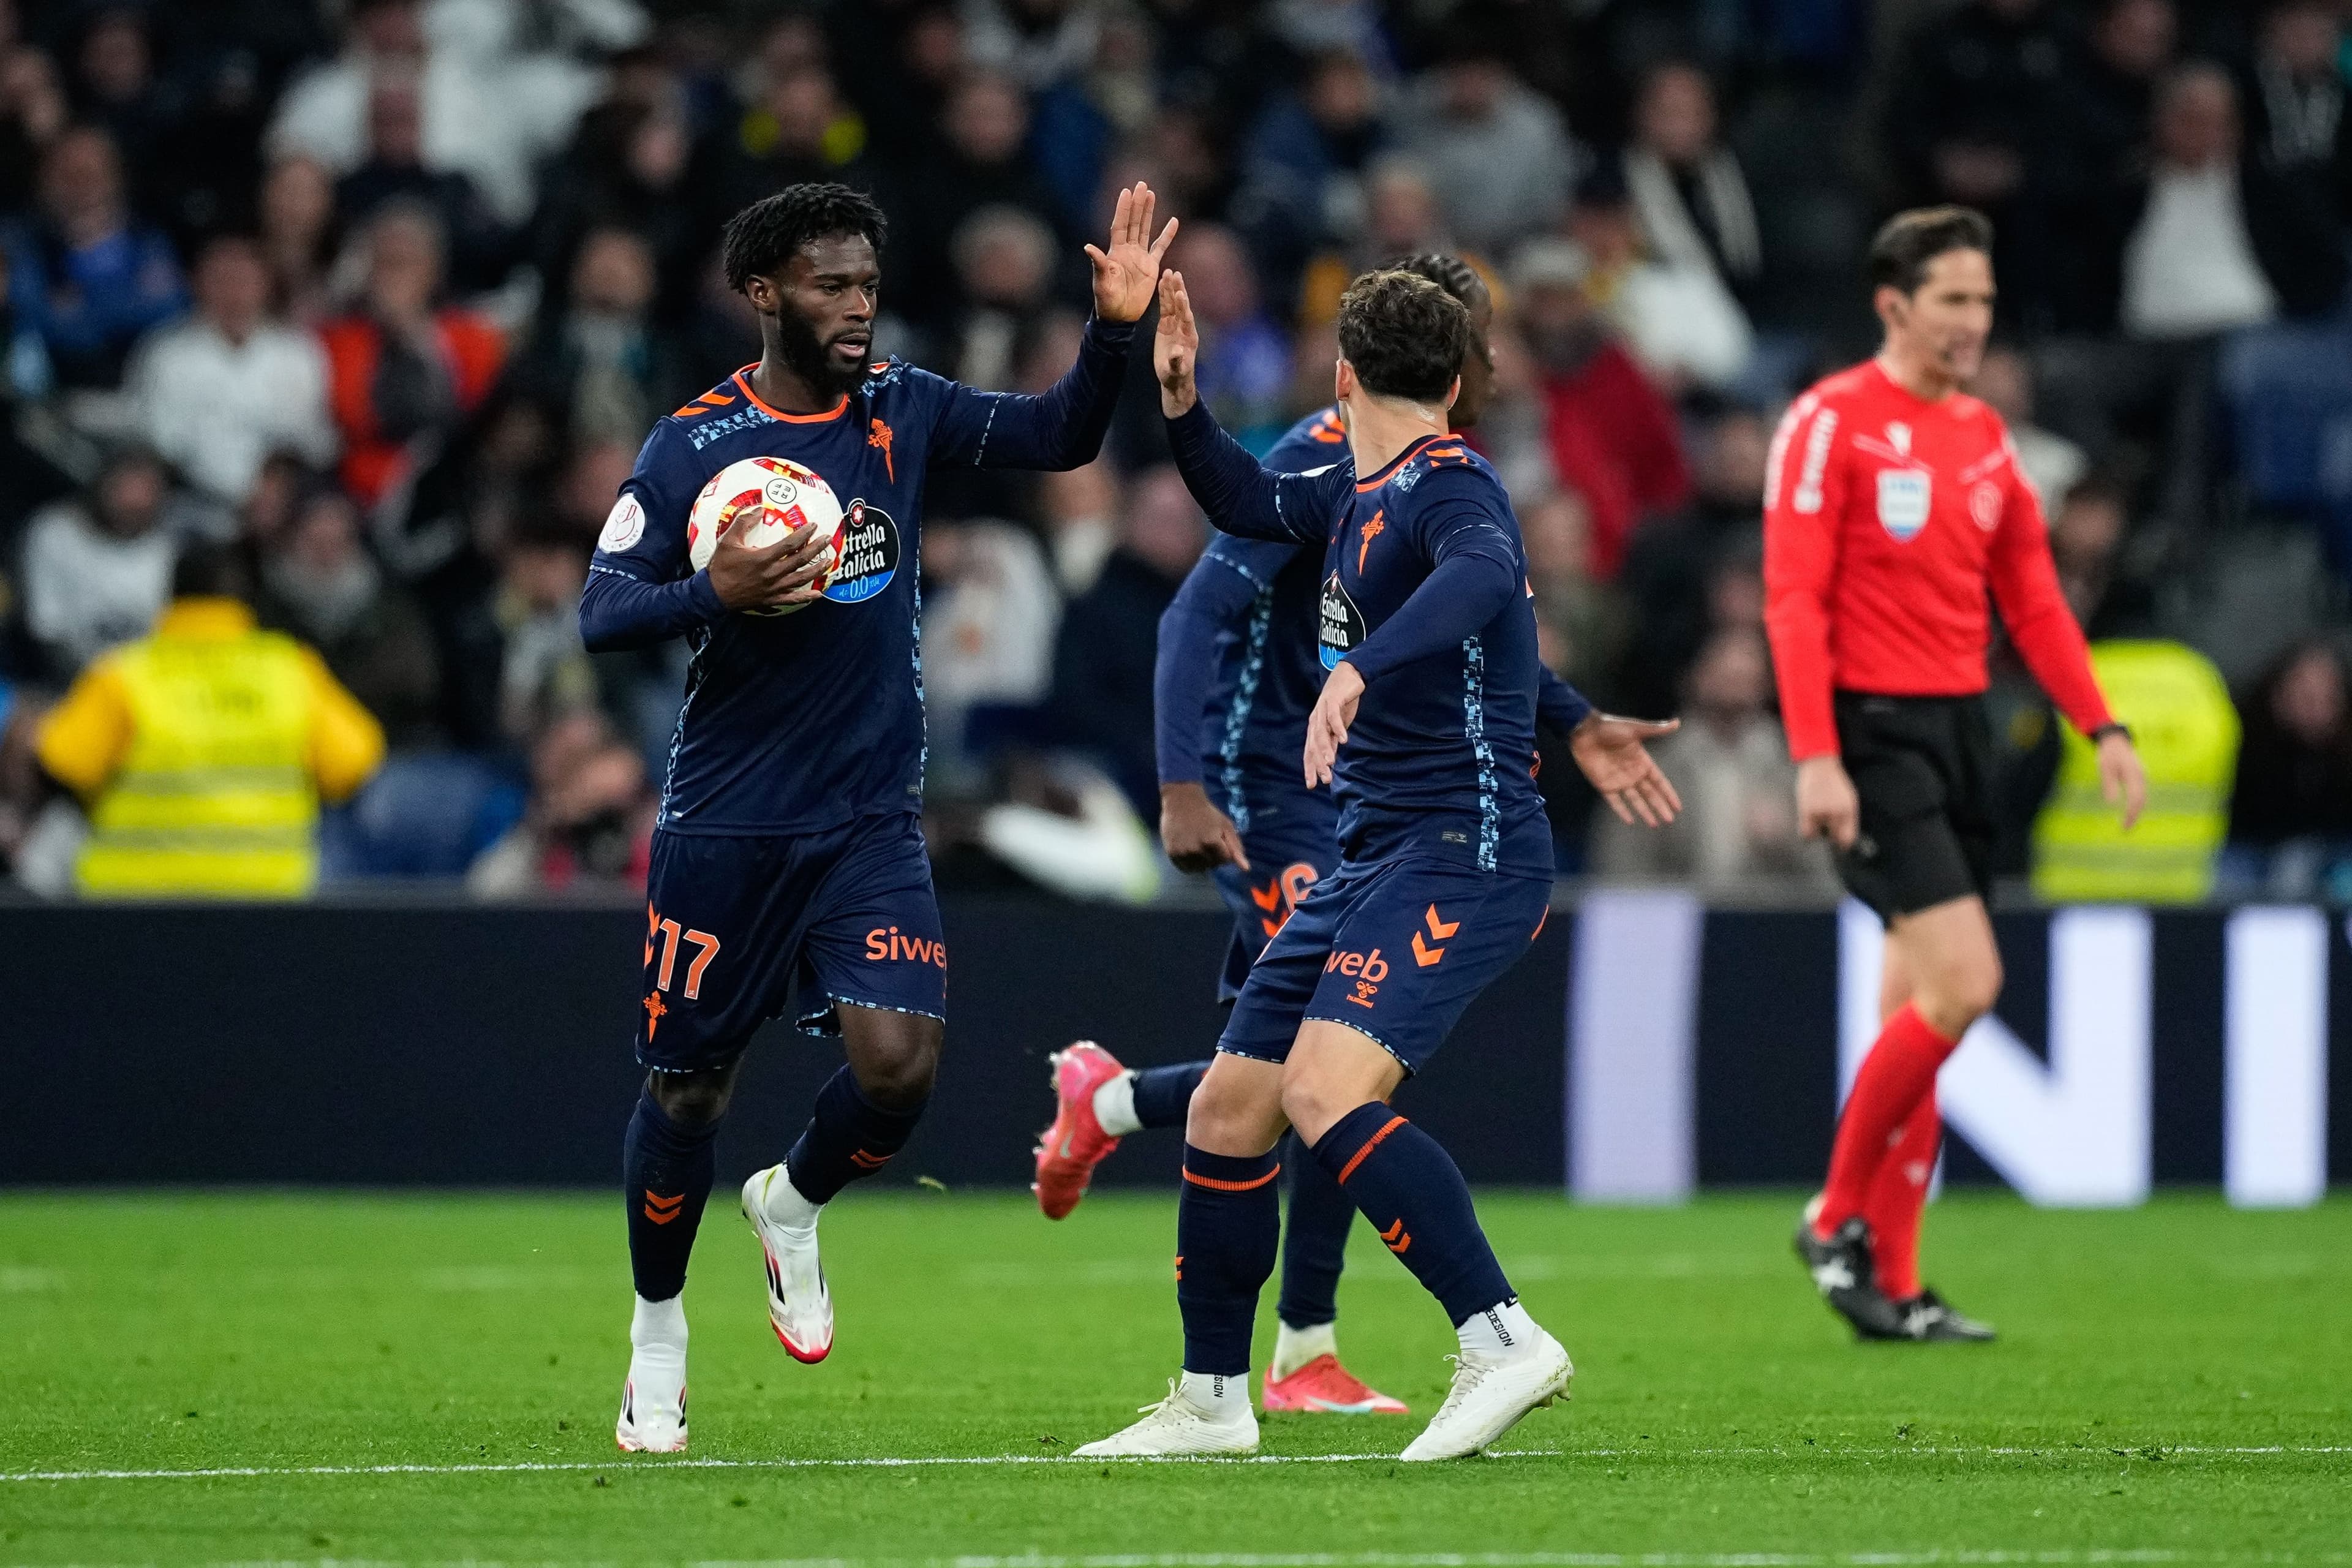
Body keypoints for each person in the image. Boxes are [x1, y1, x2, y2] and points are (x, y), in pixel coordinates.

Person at [575, 180, 1172, 1454]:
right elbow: (604, 611)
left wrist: (1112, 328)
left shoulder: (904, 406)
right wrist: (715, 588)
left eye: (868, 284)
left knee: (899, 1068)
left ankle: (791, 1201)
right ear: (764, 293)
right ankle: (657, 1335)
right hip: (727, 821)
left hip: (867, 818)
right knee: (689, 1089)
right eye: (831, 285)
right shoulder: (692, 443)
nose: (858, 307)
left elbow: (1064, 434)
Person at [1033, 254, 1677, 1423]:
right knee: (1236, 1105)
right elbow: (1242, 500)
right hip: (1369, 848)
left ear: (1341, 372)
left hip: (1461, 848)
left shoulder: (1451, 486)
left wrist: (1363, 669)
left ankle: (1499, 1341)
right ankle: (1212, 1405)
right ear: (1458, 372)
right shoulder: (1349, 487)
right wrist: (1179, 400)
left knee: (1325, 1092)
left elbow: (1484, 579)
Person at [1763, 207, 2148, 1344]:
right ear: (1895, 304)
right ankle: (1833, 1216)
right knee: (1967, 984)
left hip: (1959, 732)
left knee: (1919, 1009)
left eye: (1984, 300)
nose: (1975, 321)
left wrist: (2102, 723)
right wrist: (1816, 755)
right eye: (1954, 300)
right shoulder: (1828, 422)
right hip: (1870, 737)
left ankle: (1897, 1284)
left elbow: (2032, 597)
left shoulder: (1984, 436)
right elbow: (1793, 599)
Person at [32, 541, 383, 898]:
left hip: (135, 907)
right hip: (267, 905)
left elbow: (63, 762)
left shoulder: (124, 674)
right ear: (248, 598)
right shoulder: (292, 672)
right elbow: (352, 764)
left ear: (171, 595)